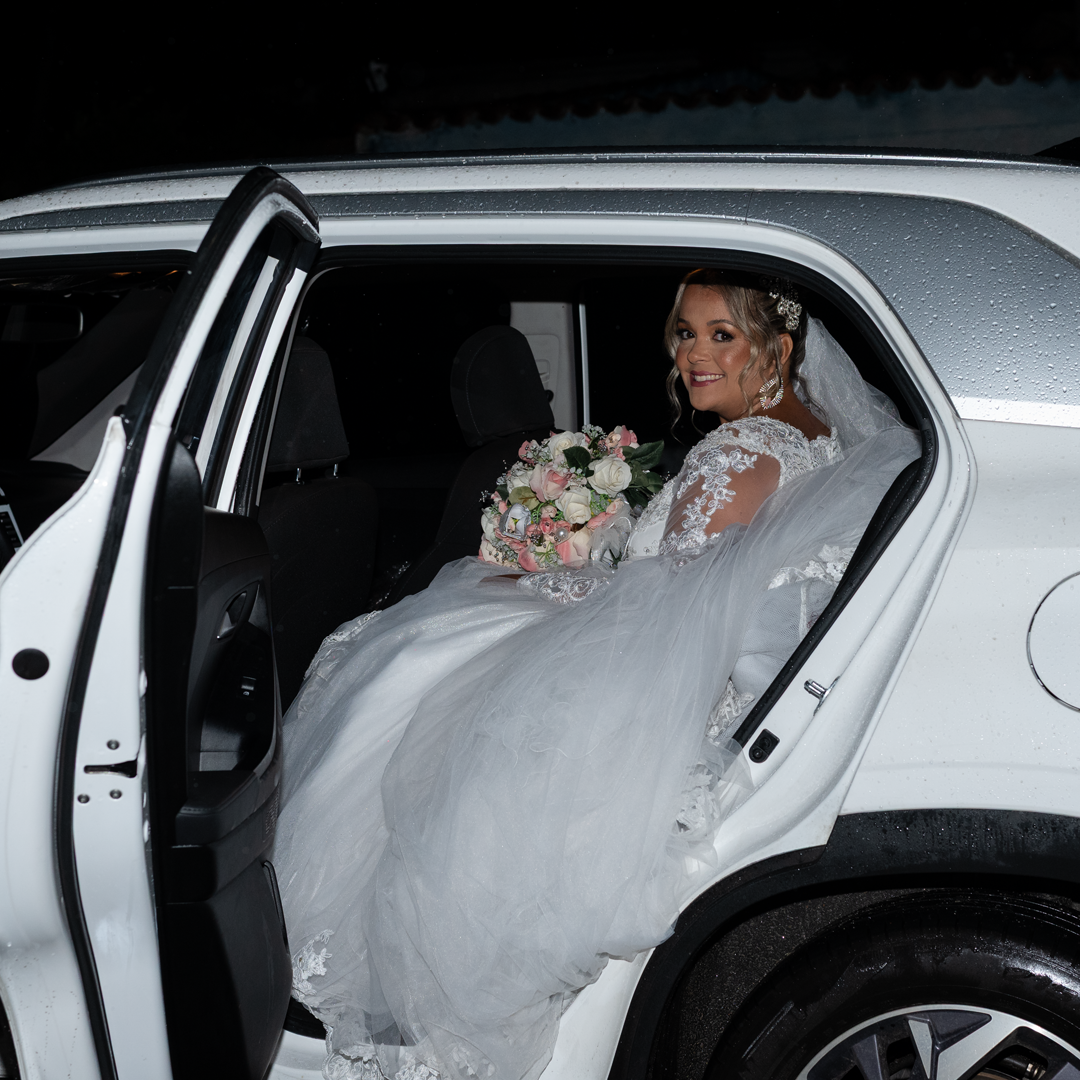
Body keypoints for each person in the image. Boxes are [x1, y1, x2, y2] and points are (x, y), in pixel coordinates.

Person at [272, 270, 920, 1080]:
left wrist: (539, 578)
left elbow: (668, 603)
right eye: (685, 333)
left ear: (779, 349)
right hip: (691, 650)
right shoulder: (815, 433)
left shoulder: (735, 451)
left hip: (658, 671)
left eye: (723, 335)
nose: (694, 355)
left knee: (406, 662)